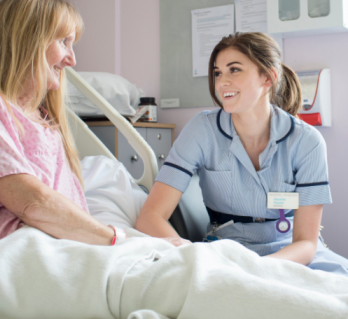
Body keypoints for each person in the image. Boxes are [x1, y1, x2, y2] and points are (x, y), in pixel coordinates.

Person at [0, 0, 182, 318]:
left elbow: (67, 214)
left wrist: (125, 243)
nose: (72, 59)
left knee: (173, 271)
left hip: (47, 252)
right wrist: (125, 240)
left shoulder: (46, 122)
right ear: (27, 40)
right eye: (64, 42)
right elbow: (33, 203)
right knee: (163, 281)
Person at [136, 32, 348, 275]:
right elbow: (150, 217)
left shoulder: (307, 141)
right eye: (217, 73)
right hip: (226, 251)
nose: (222, 82)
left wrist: (261, 270)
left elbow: (306, 243)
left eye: (234, 70)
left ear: (268, 78)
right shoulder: (202, 130)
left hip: (291, 253)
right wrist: (187, 253)